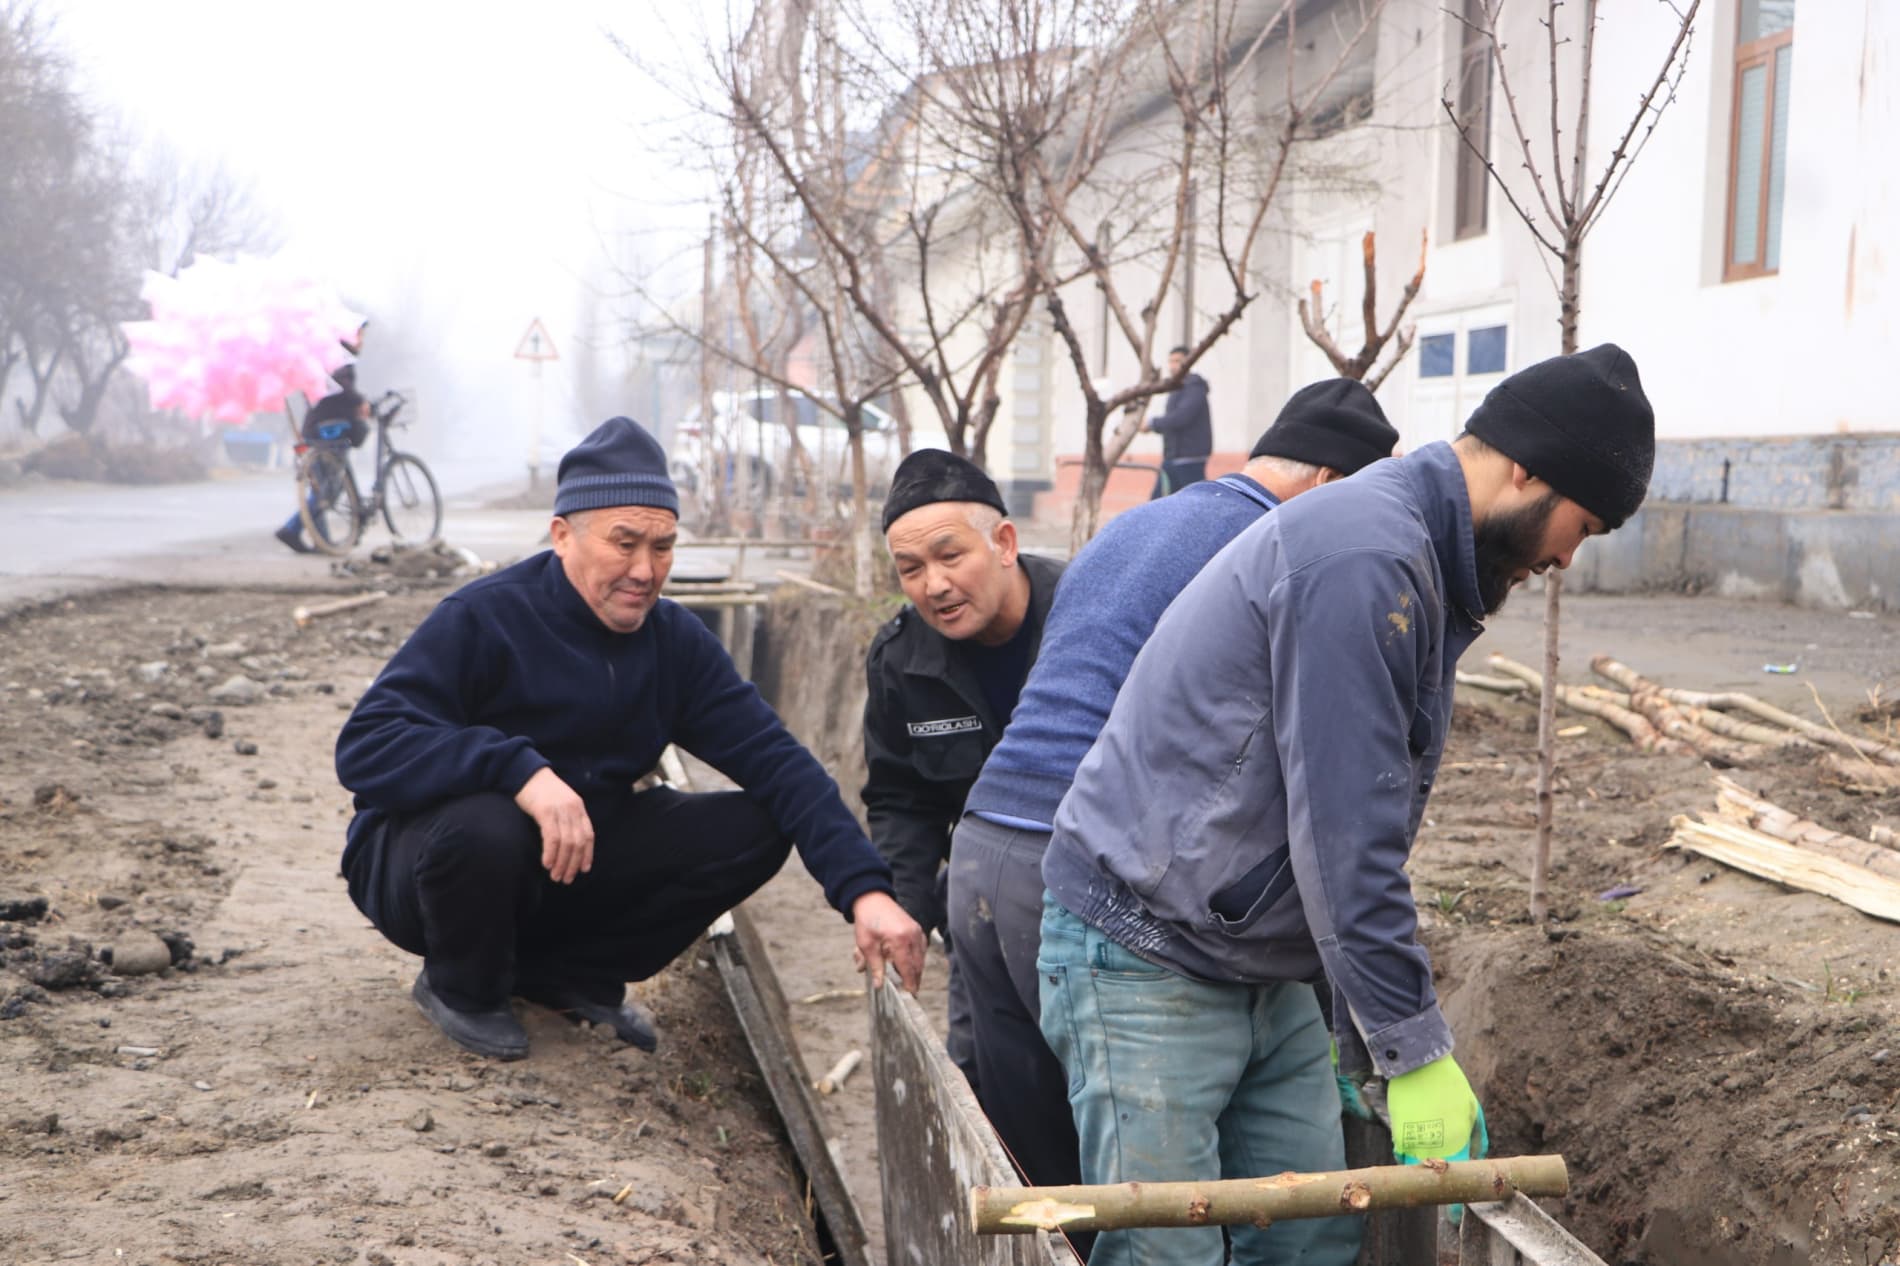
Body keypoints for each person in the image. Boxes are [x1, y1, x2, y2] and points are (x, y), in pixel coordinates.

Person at [1036, 345, 1654, 1266]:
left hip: (1252, 958)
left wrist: (1358, 1026)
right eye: (1581, 523)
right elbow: (1343, 829)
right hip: (1145, 949)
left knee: (1310, 1244)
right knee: (1166, 1255)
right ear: (1527, 467)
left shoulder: (1425, 562)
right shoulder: (1367, 556)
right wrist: (1412, 1049)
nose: (1566, 556)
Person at [335, 416, 925, 1061]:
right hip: (430, 865)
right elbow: (367, 743)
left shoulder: (673, 644)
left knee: (756, 826)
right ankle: (463, 989)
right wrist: (521, 774)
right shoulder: (484, 618)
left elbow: (779, 762)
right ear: (563, 535)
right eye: (624, 543)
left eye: (663, 546)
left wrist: (866, 892)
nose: (645, 570)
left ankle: (566, 976)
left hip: (572, 858)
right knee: (488, 824)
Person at [948, 379, 1397, 1208]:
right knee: (1145, 1196)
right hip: (1085, 865)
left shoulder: (1142, 522)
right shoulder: (1282, 549)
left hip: (982, 845)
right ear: (1334, 488)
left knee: (1042, 1173)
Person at [862, 449, 1065, 1087]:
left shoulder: (1085, 616)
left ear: (1003, 542)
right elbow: (902, 798)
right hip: (983, 916)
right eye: (912, 569)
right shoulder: (902, 659)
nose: (935, 585)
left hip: (1103, 912)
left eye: (951, 556)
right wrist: (905, 908)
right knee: (992, 1084)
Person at [277, 323, 372, 554]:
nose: (361, 340)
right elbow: (342, 389)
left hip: (318, 428)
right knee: (327, 489)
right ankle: (292, 527)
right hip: (329, 430)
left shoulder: (326, 357)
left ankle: (322, 540)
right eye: (358, 334)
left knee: (323, 487)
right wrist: (360, 402)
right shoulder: (338, 358)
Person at [1144, 345, 1212, 497]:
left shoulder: (1194, 387)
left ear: (1188, 362)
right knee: (1158, 505)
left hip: (1189, 459)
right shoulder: (1177, 387)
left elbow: (1181, 417)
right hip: (1172, 457)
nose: (1173, 365)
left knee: (1194, 504)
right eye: (1170, 361)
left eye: (1177, 361)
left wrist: (1152, 423)